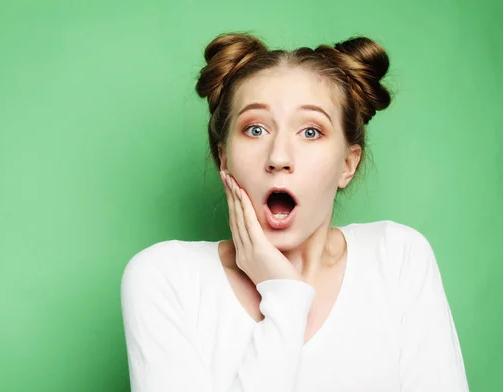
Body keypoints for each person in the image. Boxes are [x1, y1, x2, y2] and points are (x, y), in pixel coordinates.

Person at [120, 32, 469, 392]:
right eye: (255, 129)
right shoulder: (164, 279)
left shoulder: (397, 259)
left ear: (347, 164)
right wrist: (284, 297)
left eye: (311, 131)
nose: (279, 158)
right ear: (224, 158)